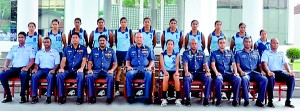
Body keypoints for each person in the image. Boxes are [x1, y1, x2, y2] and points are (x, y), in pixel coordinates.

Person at [0, 32, 35, 103]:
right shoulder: (14, 48)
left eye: (22, 37)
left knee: (24, 74)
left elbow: (32, 61)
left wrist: (27, 68)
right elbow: (8, 59)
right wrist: (5, 66)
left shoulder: (30, 48)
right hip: (14, 69)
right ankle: (9, 96)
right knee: (2, 75)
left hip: (24, 68)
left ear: (25, 38)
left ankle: (23, 96)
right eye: (19, 37)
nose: (20, 39)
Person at [262, 38, 295, 108]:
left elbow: (286, 64)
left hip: (279, 73)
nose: (276, 44)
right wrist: (268, 72)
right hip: (270, 72)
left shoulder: (281, 53)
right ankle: (270, 101)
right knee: (271, 78)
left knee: (291, 78)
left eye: (277, 43)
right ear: (270, 44)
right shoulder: (266, 52)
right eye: (274, 43)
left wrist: (290, 72)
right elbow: (264, 64)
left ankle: (288, 100)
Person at [235, 37, 267, 107]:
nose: (248, 43)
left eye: (249, 42)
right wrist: (241, 72)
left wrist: (262, 71)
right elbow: (237, 65)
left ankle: (259, 101)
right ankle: (246, 100)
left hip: (255, 73)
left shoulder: (256, 52)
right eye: (246, 42)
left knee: (264, 79)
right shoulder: (239, 53)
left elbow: (259, 64)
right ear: (243, 43)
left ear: (251, 43)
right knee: (244, 79)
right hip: (246, 73)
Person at [56, 32, 87, 105]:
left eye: (76, 37)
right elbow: (63, 60)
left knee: (80, 75)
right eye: (73, 38)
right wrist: (61, 68)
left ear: (79, 39)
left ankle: (79, 97)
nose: (74, 39)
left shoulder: (83, 48)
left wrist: (82, 68)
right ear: (71, 39)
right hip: (68, 70)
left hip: (77, 70)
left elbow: (84, 60)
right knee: (60, 75)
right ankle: (61, 96)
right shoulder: (67, 48)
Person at [86, 35, 117, 104]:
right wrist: (90, 69)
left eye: (103, 40)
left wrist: (112, 70)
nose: (102, 42)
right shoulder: (94, 50)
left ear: (106, 42)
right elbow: (90, 62)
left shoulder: (111, 51)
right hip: (96, 71)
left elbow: (115, 63)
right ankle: (92, 97)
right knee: (89, 76)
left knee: (110, 76)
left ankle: (109, 97)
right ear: (98, 42)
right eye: (100, 41)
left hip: (107, 71)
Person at [125, 32, 154, 104]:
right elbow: (127, 61)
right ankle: (130, 96)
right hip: (134, 69)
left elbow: (152, 60)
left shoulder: (148, 48)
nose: (139, 39)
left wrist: (150, 67)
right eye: (137, 37)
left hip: (145, 69)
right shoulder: (130, 49)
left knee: (148, 74)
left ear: (143, 39)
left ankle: (147, 97)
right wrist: (128, 66)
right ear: (134, 39)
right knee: (128, 74)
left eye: (140, 37)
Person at [210, 38, 241, 107]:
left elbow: (233, 63)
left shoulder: (230, 52)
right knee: (218, 79)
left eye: (224, 42)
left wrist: (235, 72)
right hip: (220, 73)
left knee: (238, 79)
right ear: (218, 44)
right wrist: (216, 72)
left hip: (229, 73)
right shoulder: (214, 53)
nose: (222, 44)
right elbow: (213, 64)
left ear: (226, 44)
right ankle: (218, 99)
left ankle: (235, 100)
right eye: (220, 43)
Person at [182, 39, 212, 107]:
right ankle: (188, 99)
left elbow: (205, 64)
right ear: (190, 44)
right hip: (190, 72)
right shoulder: (186, 53)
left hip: (200, 72)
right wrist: (186, 72)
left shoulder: (202, 53)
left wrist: (207, 71)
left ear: (198, 45)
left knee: (209, 79)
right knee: (187, 79)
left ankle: (206, 99)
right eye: (192, 43)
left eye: (195, 43)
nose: (194, 45)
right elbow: (185, 64)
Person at [31, 37, 60, 104]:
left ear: (51, 43)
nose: (46, 43)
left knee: (50, 77)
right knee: (34, 76)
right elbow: (36, 63)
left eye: (48, 42)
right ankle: (34, 96)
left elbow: (57, 64)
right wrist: (35, 69)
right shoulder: (39, 52)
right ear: (43, 43)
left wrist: (54, 70)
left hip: (51, 70)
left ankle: (48, 96)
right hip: (41, 70)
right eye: (45, 42)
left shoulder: (55, 52)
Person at [115, 17, 134, 96]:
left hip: (127, 53)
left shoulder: (129, 31)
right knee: (119, 70)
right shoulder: (116, 31)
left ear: (127, 23)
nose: (123, 23)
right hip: (119, 52)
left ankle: (128, 89)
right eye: (122, 22)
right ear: (120, 23)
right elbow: (115, 41)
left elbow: (132, 42)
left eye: (124, 22)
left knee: (128, 70)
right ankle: (117, 89)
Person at [159, 39, 181, 106]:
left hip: (173, 71)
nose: (170, 46)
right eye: (168, 44)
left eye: (171, 44)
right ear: (166, 45)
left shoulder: (177, 54)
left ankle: (177, 98)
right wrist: (165, 71)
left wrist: (177, 72)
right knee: (166, 77)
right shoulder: (162, 54)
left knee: (176, 77)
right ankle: (164, 98)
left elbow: (177, 65)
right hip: (165, 71)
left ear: (173, 45)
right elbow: (162, 65)